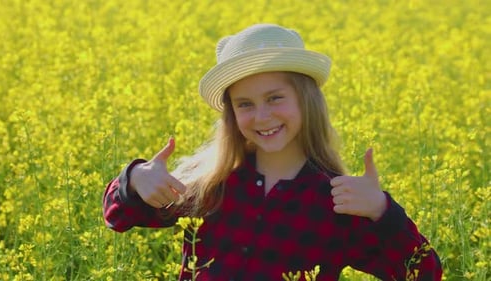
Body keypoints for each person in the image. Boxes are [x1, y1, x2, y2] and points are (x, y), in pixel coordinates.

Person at [103, 23, 442, 280]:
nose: (262, 116)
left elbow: (423, 273)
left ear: (306, 102)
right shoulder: (209, 185)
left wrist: (382, 211)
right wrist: (135, 180)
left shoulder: (338, 202)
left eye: (275, 98)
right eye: (245, 104)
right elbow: (119, 217)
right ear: (232, 116)